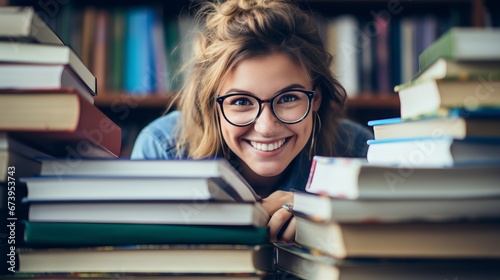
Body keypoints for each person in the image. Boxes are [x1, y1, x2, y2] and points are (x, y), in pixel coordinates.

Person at [131, 0, 373, 242]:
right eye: (241, 101)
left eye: (288, 98)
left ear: (316, 98)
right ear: (212, 104)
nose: (266, 127)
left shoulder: (356, 151)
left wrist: (325, 215)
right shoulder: (163, 150)